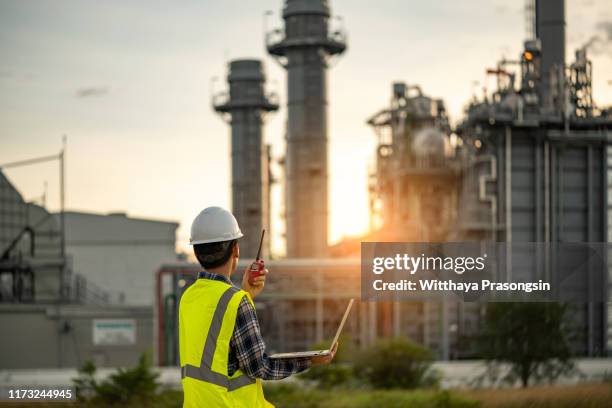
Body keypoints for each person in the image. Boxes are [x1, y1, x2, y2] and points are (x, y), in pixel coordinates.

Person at [179, 206, 337, 407]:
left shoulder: (189, 298)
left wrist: (246, 295)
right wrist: (310, 360)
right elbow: (260, 367)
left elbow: (219, 352)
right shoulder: (235, 301)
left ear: (196, 251)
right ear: (235, 249)